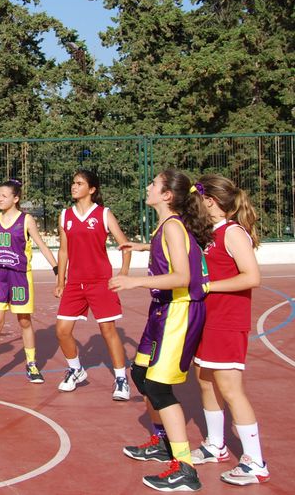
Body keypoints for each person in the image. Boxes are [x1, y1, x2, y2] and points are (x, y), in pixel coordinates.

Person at [111, 168, 213, 492]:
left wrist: (134, 280)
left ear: (167, 195)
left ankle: (185, 468)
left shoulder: (172, 226)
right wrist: (140, 247)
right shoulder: (165, 227)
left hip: (179, 311)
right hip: (162, 311)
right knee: (140, 376)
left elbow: (182, 277)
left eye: (154, 183)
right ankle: (164, 443)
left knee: (157, 387)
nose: (148, 186)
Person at [190, 174, 269, 485]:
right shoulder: (212, 233)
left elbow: (252, 277)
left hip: (227, 322)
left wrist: (209, 286)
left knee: (231, 389)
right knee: (205, 380)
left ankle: (254, 461)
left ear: (209, 200)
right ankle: (215, 445)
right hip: (209, 320)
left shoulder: (233, 233)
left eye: (197, 198)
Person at [0, 180, 58, 391]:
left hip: (20, 277)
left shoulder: (26, 220)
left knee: (24, 321)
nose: (0, 199)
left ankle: (31, 365)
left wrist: (57, 269)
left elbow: (41, 245)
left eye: (4, 196)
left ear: (16, 198)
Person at [54, 169, 133, 400]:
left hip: (100, 282)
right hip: (75, 283)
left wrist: (124, 273)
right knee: (62, 330)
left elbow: (125, 245)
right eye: (73, 182)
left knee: (108, 330)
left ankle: (121, 379)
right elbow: (64, 250)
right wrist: (61, 280)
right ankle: (76, 370)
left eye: (79, 183)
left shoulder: (103, 214)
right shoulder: (65, 216)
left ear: (92, 189)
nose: (74, 186)